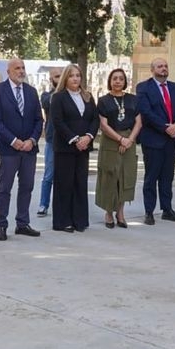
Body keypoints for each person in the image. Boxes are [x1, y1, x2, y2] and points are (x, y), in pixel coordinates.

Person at [0, 57, 43, 241]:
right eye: (17, 68)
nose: (21, 71)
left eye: (23, 68)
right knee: (5, 187)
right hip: (8, 149)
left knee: (27, 186)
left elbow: (38, 119)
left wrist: (32, 140)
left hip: (29, 149)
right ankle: (1, 224)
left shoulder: (31, 92)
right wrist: (13, 140)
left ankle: (22, 223)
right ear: (8, 72)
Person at [136, 57, 175, 224]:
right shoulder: (144, 87)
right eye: (160, 66)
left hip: (172, 141)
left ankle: (167, 209)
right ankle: (149, 212)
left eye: (165, 66)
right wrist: (166, 127)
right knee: (151, 177)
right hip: (154, 140)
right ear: (152, 70)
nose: (163, 69)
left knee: (167, 177)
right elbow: (146, 111)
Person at [50, 63, 99, 232]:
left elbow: (94, 119)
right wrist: (74, 139)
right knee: (65, 184)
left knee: (80, 183)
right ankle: (63, 221)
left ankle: (79, 220)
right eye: (71, 76)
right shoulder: (58, 97)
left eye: (78, 75)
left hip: (83, 148)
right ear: (66, 78)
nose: (75, 78)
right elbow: (57, 121)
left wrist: (88, 137)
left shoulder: (87, 96)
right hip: (66, 147)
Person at [95, 67, 142, 228]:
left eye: (121, 79)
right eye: (114, 78)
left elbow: (138, 122)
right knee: (110, 176)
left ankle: (120, 212)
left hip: (129, 140)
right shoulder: (103, 100)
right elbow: (103, 124)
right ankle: (108, 212)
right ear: (110, 81)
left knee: (125, 177)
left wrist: (129, 140)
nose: (117, 81)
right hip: (111, 140)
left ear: (125, 81)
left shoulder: (133, 99)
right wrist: (120, 139)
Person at [37, 67, 62, 217]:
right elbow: (48, 104)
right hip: (52, 140)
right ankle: (43, 204)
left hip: (68, 140)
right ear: (51, 79)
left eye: (62, 76)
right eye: (57, 76)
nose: (60, 78)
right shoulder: (47, 95)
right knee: (49, 175)